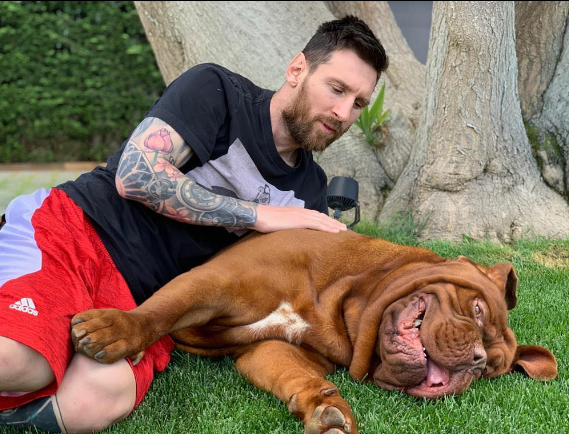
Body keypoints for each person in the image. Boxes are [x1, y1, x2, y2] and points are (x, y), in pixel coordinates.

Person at [0, 15, 388, 433]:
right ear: (297, 70)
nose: (343, 113)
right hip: (79, 232)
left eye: (358, 103)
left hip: (142, 306)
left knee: (94, 400)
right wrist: (259, 215)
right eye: (337, 89)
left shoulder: (310, 193)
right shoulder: (218, 91)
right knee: (21, 362)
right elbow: (135, 176)